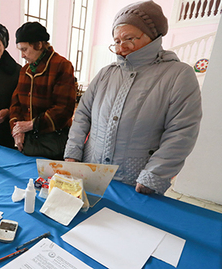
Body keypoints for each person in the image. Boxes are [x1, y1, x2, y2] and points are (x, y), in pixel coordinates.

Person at [64, 1, 202, 195]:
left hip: (136, 182)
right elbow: (82, 116)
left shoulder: (178, 75)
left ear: (153, 37)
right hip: (91, 173)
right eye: (117, 41)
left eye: (129, 38)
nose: (122, 47)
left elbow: (181, 132)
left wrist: (153, 176)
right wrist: (73, 154)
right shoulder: (106, 74)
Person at [9, 22, 76, 159]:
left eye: (25, 49)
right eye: (20, 50)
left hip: (53, 143)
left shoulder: (62, 66)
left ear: (39, 45)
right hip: (28, 143)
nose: (22, 55)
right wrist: (17, 130)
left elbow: (64, 109)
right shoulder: (25, 70)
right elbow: (15, 104)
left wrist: (31, 124)